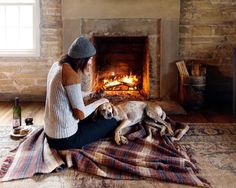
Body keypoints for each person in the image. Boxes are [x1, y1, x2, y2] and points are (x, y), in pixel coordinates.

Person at [44, 36, 118, 150]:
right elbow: (81, 115)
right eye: (90, 59)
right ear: (82, 59)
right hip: (64, 140)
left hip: (50, 132)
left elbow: (69, 93)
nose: (91, 61)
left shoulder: (58, 65)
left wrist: (89, 94)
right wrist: (100, 101)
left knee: (97, 116)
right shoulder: (71, 75)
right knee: (112, 121)